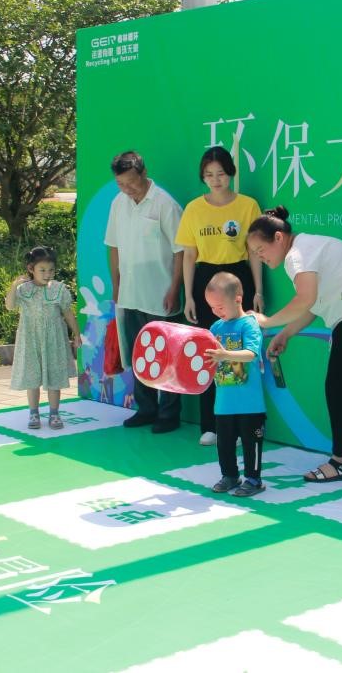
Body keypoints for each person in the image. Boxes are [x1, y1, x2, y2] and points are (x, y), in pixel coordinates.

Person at [248, 206, 342, 482]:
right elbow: (313, 304)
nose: (260, 257)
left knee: (339, 388)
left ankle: (341, 460)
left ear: (278, 238)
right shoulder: (305, 248)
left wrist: (267, 321)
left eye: (261, 250)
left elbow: (305, 299)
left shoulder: (297, 256)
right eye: (255, 253)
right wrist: (286, 333)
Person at [176, 146, 264, 446]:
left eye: (221, 174)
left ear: (232, 174)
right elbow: (189, 255)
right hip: (205, 281)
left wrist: (258, 290)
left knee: (236, 351)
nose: (215, 180)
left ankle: (239, 427)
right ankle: (211, 425)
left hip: (237, 277)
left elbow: (255, 251)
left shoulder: (248, 206)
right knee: (209, 351)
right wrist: (189, 296)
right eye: (209, 175)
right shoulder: (193, 209)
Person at [104, 150, 185, 433]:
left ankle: (169, 414)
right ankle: (146, 409)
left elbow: (181, 251)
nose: (127, 189)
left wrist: (175, 288)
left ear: (144, 173)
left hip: (161, 295)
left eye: (131, 182)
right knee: (141, 354)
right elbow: (113, 246)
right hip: (130, 294)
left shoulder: (165, 204)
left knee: (167, 355)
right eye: (121, 184)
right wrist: (116, 285)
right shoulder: (118, 203)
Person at [202, 272, 266, 497]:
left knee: (251, 442)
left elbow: (251, 354)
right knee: (224, 443)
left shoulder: (249, 325)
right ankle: (229, 475)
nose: (215, 311)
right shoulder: (215, 328)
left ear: (238, 299)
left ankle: (254, 479)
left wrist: (224, 354)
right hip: (224, 402)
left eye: (220, 306)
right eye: (211, 307)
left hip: (250, 403)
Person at [6, 245, 81, 430]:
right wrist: (14, 285)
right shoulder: (23, 289)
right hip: (30, 340)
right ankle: (34, 413)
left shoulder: (59, 289)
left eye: (51, 270)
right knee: (32, 378)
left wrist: (77, 334)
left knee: (54, 377)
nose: (48, 274)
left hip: (54, 340)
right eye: (42, 270)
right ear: (31, 269)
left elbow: (68, 313)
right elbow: (10, 306)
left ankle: (54, 413)